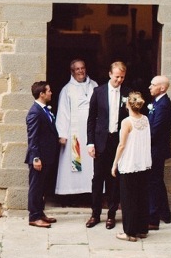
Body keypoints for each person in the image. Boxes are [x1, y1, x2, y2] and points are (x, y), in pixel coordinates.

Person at [85, 61, 131, 229]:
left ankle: (111, 215)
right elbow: (91, 120)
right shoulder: (98, 92)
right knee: (97, 179)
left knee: (114, 180)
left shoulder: (127, 93)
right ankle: (95, 214)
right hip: (100, 141)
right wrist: (90, 142)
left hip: (117, 142)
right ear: (110, 74)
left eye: (122, 77)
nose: (119, 80)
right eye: (117, 76)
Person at [111, 92, 152, 241]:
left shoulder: (127, 122)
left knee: (128, 199)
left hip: (130, 164)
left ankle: (129, 232)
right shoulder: (145, 119)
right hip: (143, 164)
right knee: (142, 197)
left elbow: (122, 145)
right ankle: (142, 229)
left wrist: (115, 163)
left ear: (128, 104)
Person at [55, 59, 98, 199]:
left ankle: (91, 193)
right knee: (74, 164)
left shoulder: (94, 85)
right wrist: (62, 134)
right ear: (72, 72)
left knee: (91, 163)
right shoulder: (67, 89)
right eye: (77, 69)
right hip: (75, 134)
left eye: (83, 68)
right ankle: (72, 195)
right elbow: (63, 112)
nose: (81, 71)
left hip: (91, 133)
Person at [25, 81, 60, 228]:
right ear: (42, 94)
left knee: (42, 187)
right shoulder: (35, 112)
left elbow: (46, 132)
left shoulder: (45, 110)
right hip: (39, 157)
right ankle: (34, 216)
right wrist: (36, 158)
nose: (51, 93)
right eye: (49, 91)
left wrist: (57, 139)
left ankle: (40, 213)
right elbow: (32, 137)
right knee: (36, 187)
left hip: (48, 155)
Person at [147, 75, 171, 229]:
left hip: (156, 150)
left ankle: (153, 216)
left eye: (153, 85)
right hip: (155, 149)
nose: (150, 87)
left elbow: (155, 130)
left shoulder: (163, 105)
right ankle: (165, 213)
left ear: (162, 88)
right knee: (157, 181)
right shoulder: (157, 102)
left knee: (153, 183)